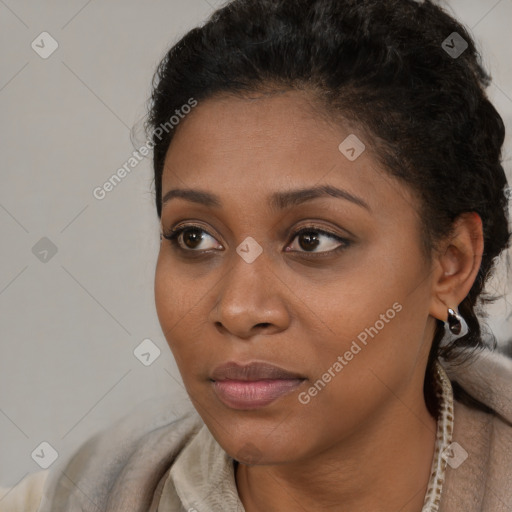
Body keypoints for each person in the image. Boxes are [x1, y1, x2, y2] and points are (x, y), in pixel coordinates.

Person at [2, 0, 511, 510]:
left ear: (451, 263)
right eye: (195, 237)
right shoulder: (76, 497)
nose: (239, 310)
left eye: (312, 240)